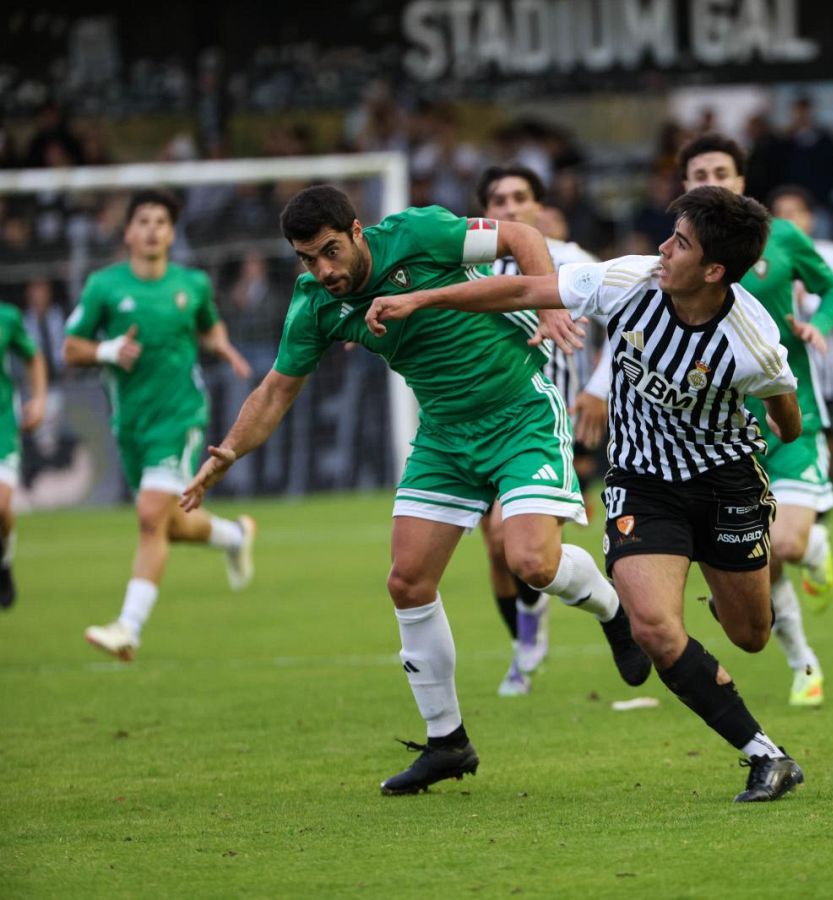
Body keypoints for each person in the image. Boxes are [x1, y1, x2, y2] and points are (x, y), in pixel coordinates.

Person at [179, 184, 649, 796]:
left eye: (328, 252)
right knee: (407, 581)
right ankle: (446, 741)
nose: (322, 270)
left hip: (519, 413)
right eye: (306, 259)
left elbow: (521, 237)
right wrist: (229, 452)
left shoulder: (420, 232)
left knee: (531, 561)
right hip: (444, 436)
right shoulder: (316, 306)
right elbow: (275, 391)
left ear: (355, 230)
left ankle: (612, 610)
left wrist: (551, 303)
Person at [366, 185, 807, 803]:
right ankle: (767, 755)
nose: (662, 247)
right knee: (655, 628)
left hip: (725, 482)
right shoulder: (629, 281)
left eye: (679, 242)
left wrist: (785, 435)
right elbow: (522, 289)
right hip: (641, 483)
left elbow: (786, 410)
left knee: (750, 634)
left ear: (713, 270)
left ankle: (733, 592)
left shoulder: (749, 340)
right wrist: (423, 297)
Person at [678, 133, 833, 708]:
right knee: (761, 555)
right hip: (723, 432)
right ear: (685, 185)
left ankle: (815, 544)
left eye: (721, 169)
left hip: (792, 418)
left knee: (788, 545)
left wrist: (818, 320)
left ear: (741, 181)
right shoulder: (679, 257)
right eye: (699, 171)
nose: (711, 178)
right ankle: (803, 663)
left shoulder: (784, 237)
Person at [64, 189, 256, 659]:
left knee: (150, 517)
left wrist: (223, 346)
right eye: (143, 221)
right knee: (166, 525)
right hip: (130, 423)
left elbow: (208, 326)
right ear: (128, 232)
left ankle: (128, 628)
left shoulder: (191, 285)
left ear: (171, 234)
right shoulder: (104, 287)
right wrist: (107, 351)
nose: (152, 229)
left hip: (180, 415)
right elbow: (71, 349)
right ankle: (235, 536)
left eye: (161, 222)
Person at [475, 163, 600, 696]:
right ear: (486, 213)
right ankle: (526, 636)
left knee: (515, 537)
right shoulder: (467, 268)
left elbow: (636, 319)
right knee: (496, 546)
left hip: (553, 424)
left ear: (539, 207)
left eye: (519, 197)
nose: (509, 208)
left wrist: (601, 388)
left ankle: (533, 638)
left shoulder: (574, 263)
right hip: (480, 426)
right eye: (498, 200)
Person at [767, 186, 833, 483]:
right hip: (781, 372)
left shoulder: (831, 254)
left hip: (829, 371)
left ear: (810, 218)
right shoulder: (763, 255)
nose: (787, 221)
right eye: (779, 214)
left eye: (795, 213)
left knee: (828, 449)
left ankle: (820, 521)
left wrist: (810, 304)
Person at [0, 299, 47, 608]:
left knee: (1, 507)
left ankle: (4, 561)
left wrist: (39, 398)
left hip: (2, 425)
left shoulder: (7, 316)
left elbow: (33, 357)